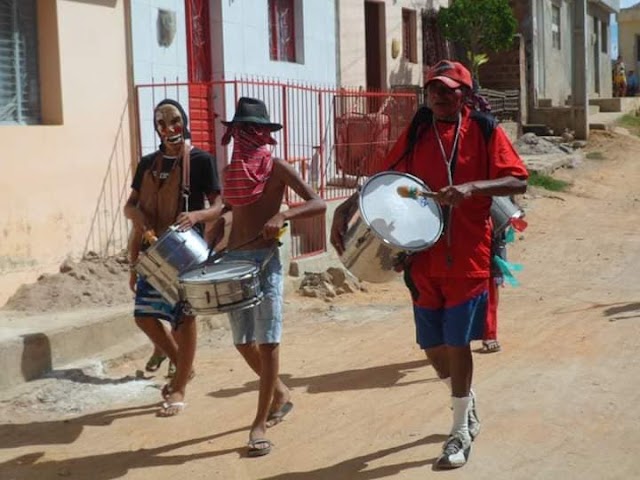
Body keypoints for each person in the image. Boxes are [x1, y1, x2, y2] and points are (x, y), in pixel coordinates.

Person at [331, 60, 528, 469]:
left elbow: (518, 180)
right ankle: (466, 400)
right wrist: (348, 205)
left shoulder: (486, 130)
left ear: (464, 94)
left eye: (448, 89)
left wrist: (474, 187)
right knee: (431, 344)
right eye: (433, 89)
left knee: (458, 342)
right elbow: (385, 175)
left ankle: (459, 430)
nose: (438, 95)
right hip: (421, 255)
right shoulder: (419, 130)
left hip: (468, 254)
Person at [220, 97, 326, 457]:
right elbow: (229, 213)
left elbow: (318, 202)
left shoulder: (276, 167)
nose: (248, 135)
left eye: (254, 128)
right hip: (234, 261)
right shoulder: (231, 170)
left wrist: (284, 215)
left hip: (266, 262)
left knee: (268, 343)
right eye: (242, 129)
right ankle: (279, 392)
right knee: (242, 342)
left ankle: (259, 423)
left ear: (264, 132)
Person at [124, 98, 223, 417]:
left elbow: (219, 206)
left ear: (184, 123)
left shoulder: (201, 160)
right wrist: (136, 217)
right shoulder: (147, 164)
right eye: (161, 123)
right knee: (144, 315)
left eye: (175, 121)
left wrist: (196, 216)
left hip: (184, 252)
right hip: (151, 251)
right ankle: (182, 365)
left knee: (184, 319)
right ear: (156, 128)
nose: (169, 128)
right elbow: (130, 204)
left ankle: (179, 386)